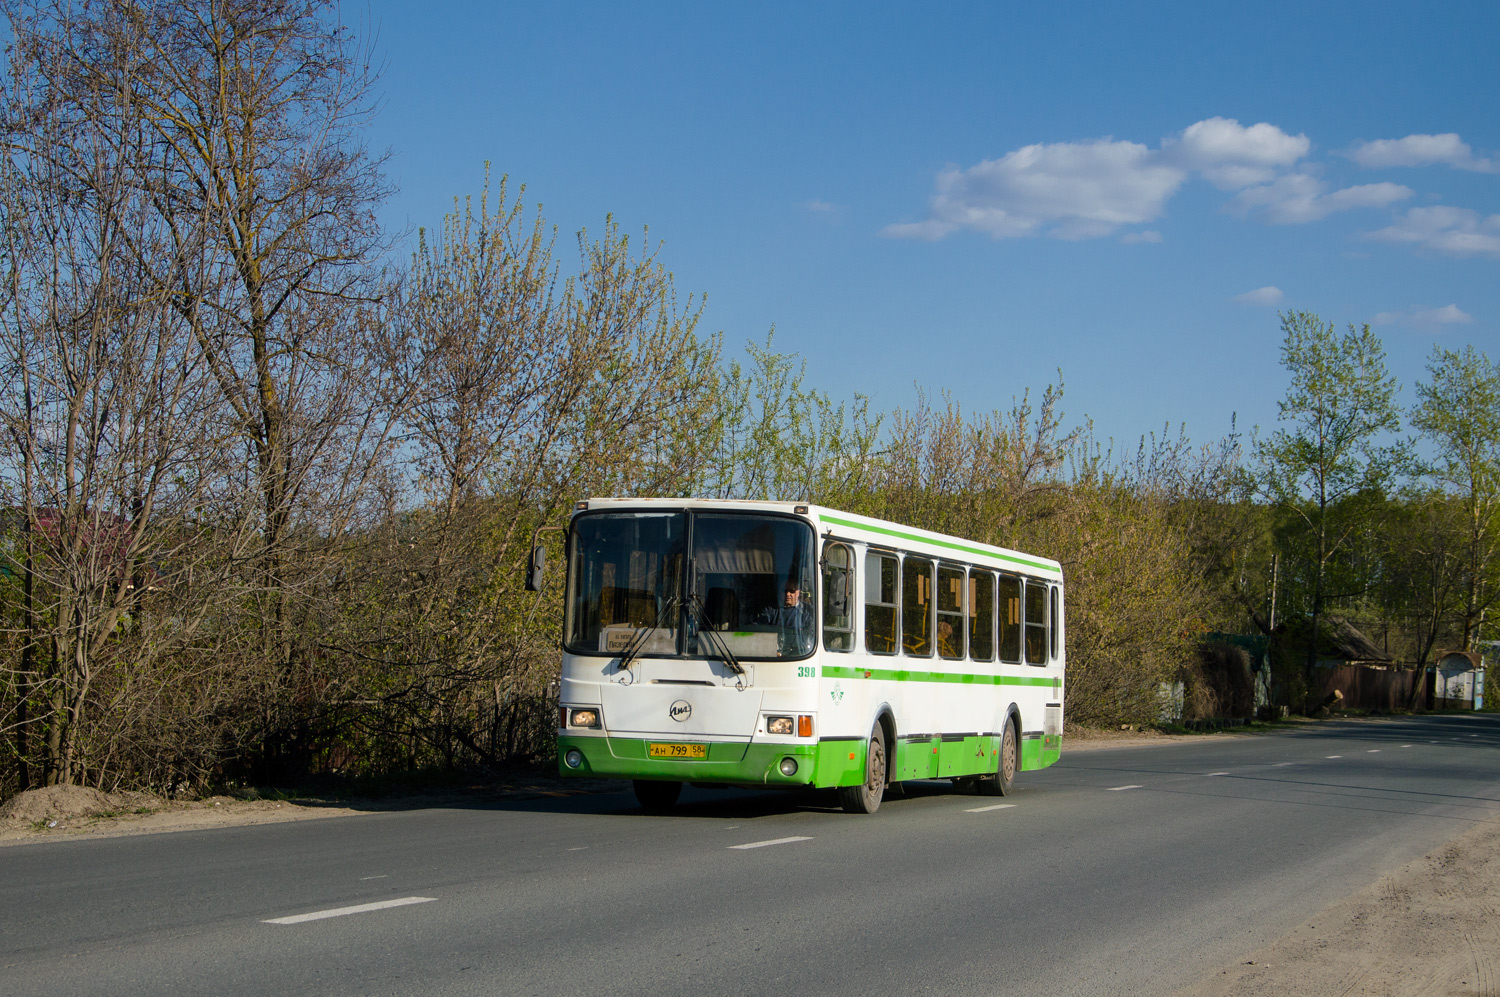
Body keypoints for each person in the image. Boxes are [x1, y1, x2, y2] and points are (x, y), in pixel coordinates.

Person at [757, 578, 813, 653]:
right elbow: (759, 628)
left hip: (798, 654)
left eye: (792, 591)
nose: (788, 594)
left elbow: (810, 635)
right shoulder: (770, 610)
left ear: (798, 592)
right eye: (785, 591)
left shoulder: (807, 611)